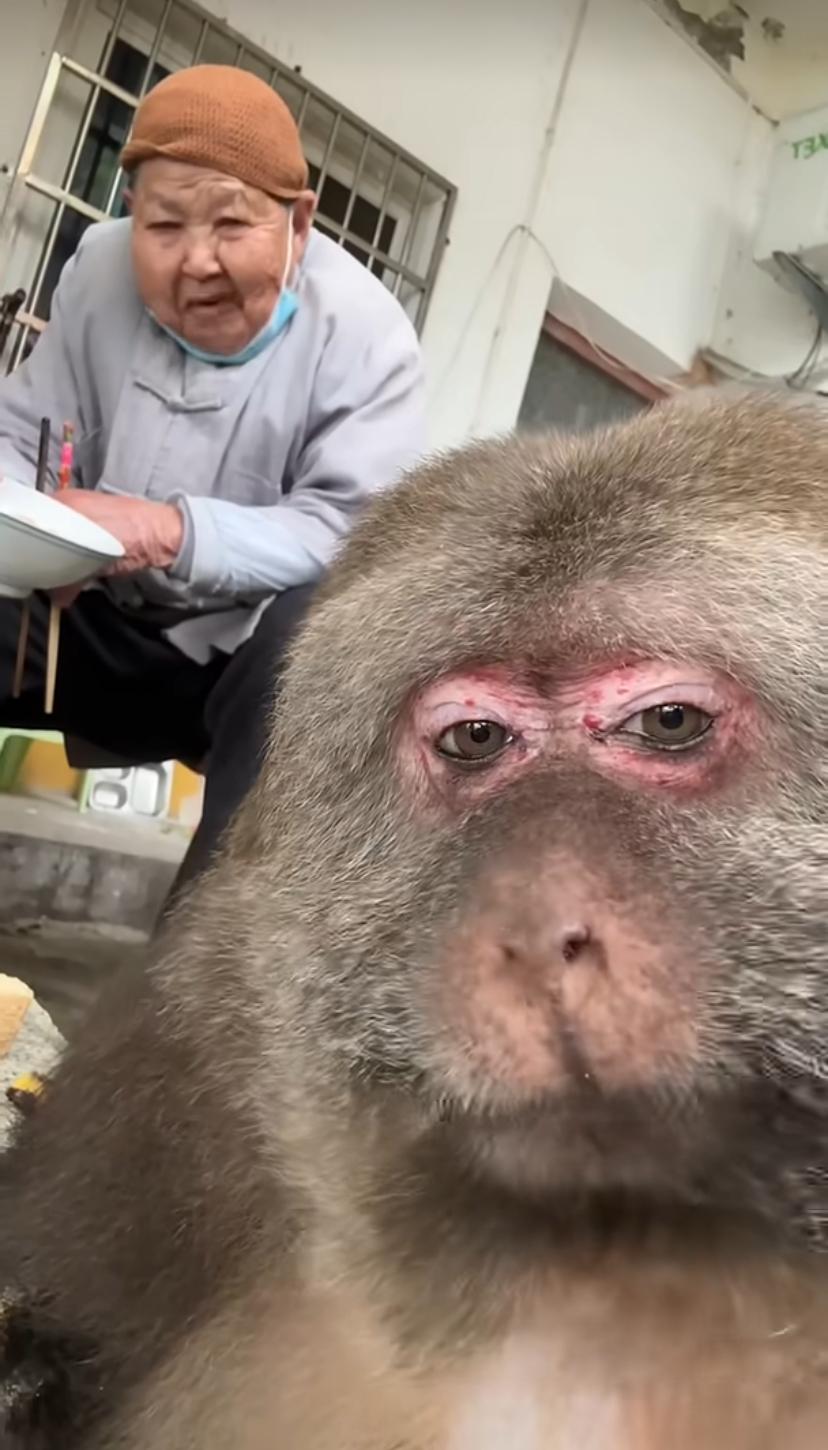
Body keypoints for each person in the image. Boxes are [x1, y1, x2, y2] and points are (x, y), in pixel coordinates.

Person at [0, 65, 426, 902]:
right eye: (163, 225)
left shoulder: (368, 336)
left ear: (298, 223)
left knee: (324, 631)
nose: (196, 261)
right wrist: (37, 533)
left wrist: (165, 530)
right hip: (79, 616)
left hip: (235, 663)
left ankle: (197, 976)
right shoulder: (99, 267)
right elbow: (21, 431)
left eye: (232, 223)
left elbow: (348, 528)